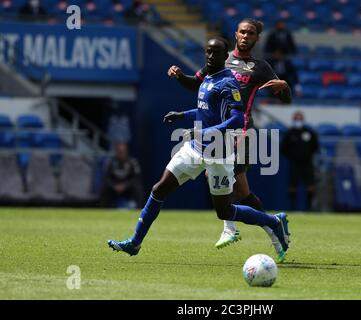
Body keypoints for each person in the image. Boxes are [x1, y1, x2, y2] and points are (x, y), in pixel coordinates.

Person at [107, 38, 290, 262]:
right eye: (208, 52)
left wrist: (207, 132)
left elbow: (237, 118)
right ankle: (135, 243)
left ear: (225, 57)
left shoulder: (228, 83)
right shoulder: (207, 78)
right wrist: (182, 115)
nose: (211, 56)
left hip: (219, 153)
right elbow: (205, 110)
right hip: (194, 149)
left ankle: (273, 221)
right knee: (159, 189)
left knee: (224, 212)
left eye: (216, 53)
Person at [166, 18, 292, 256]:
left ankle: (235, 227)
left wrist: (284, 87)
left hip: (240, 130)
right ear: (236, 34)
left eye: (251, 33)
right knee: (239, 190)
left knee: (223, 179)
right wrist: (179, 75)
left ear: (256, 39)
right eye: (242, 32)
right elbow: (195, 84)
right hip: (218, 130)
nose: (246, 36)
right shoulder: (220, 58)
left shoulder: (260, 67)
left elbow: (283, 98)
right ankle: (272, 226)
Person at [281, 111, 319, 211]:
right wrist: (292, 157)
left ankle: (310, 207)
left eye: (300, 119)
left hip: (307, 163)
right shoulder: (289, 133)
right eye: (296, 119)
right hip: (294, 163)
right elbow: (284, 148)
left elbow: (315, 146)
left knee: (310, 185)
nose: (298, 121)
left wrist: (308, 155)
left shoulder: (309, 132)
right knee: (292, 185)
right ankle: (292, 207)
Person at [100, 143, 144, 208]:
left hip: (128, 188)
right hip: (114, 188)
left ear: (126, 152)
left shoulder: (132, 162)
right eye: (119, 151)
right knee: (104, 188)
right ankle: (103, 210)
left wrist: (125, 185)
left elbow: (136, 178)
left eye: (123, 151)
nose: (121, 153)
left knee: (138, 188)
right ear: (116, 152)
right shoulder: (110, 162)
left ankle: (140, 210)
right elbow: (106, 177)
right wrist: (114, 186)